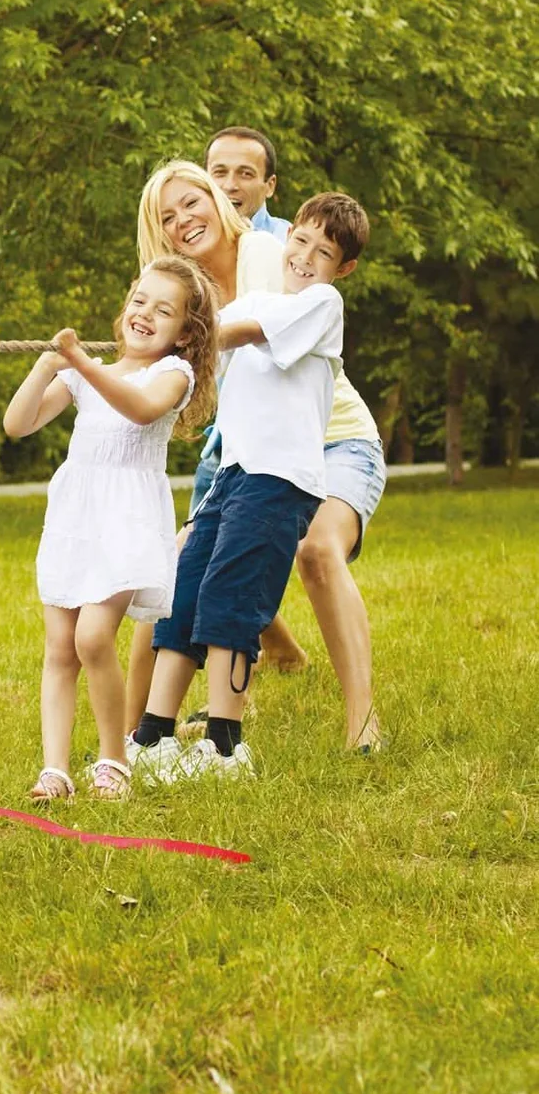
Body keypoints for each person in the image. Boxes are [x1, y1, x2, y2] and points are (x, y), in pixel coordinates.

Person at [128, 193, 370, 781]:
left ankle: (224, 747)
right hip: (233, 475)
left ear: (343, 267)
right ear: (289, 237)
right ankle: (154, 736)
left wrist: (183, 332)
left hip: (280, 480)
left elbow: (239, 332)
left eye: (324, 251)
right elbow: (202, 364)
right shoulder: (258, 297)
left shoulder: (322, 304)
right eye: (302, 241)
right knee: (183, 592)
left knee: (232, 598)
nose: (307, 257)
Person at [2, 257, 219, 803]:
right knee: (60, 646)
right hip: (76, 517)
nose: (145, 314)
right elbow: (18, 424)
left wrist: (80, 362)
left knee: (93, 637)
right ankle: (55, 769)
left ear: (185, 332)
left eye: (163, 310)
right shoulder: (86, 371)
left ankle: (112, 759)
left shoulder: (172, 375)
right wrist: (49, 366)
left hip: (127, 521)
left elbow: (142, 410)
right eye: (140, 300)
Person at [205, 126, 289, 240]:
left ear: (270, 186)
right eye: (220, 172)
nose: (230, 186)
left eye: (245, 174)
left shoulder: (290, 244)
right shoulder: (183, 240)